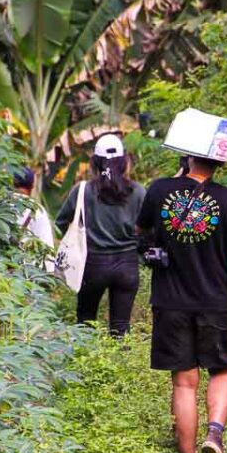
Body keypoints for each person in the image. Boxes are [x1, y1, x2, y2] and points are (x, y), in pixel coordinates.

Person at [137, 153, 227, 453]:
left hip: (170, 301)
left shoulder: (159, 190)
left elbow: (141, 232)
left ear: (188, 156)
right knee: (222, 371)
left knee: (184, 383)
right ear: (220, 162)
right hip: (216, 302)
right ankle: (214, 434)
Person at [55, 134, 145, 336]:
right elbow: (148, 229)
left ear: (94, 162)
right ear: (124, 162)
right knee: (121, 328)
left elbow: (60, 223)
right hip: (127, 266)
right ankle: (120, 364)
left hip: (92, 265)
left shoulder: (83, 191)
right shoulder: (138, 192)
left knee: (85, 321)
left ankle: (84, 362)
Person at [12, 167, 55, 265]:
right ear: (32, 186)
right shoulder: (38, 211)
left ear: (13, 183)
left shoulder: (0, 206)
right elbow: (47, 247)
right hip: (29, 271)